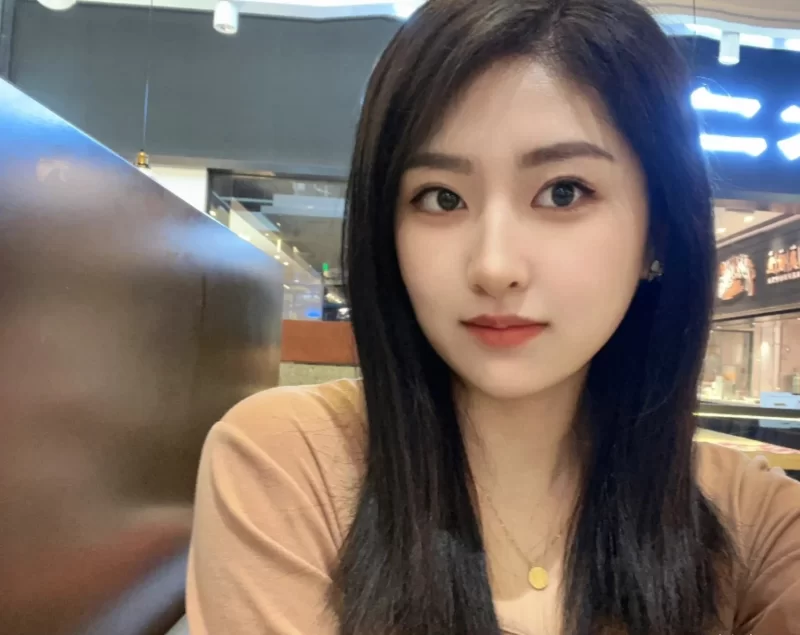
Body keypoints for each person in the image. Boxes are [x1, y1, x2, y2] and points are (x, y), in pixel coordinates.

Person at [186, 1, 800, 633]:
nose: (494, 266)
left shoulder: (751, 518)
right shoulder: (290, 464)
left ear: (657, 232)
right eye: (441, 198)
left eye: (563, 192)